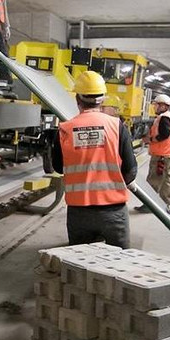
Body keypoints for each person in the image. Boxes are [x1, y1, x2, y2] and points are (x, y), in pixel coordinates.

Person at [51, 72, 138, 248]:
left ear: (77, 99)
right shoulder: (117, 126)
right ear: (102, 99)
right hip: (113, 210)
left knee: (81, 264)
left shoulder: (64, 130)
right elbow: (130, 170)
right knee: (118, 264)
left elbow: (59, 167)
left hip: (79, 211)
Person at [145, 93, 170, 212]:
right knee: (163, 180)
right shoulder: (166, 116)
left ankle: (151, 205)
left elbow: (164, 134)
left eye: (156, 105)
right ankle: (163, 204)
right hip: (165, 154)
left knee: (155, 180)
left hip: (161, 155)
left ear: (163, 106)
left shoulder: (164, 118)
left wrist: (151, 139)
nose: (154, 107)